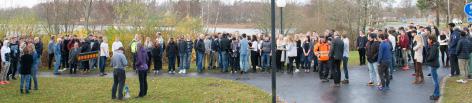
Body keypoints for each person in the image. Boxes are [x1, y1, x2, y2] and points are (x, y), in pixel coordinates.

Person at [425, 35, 440, 100]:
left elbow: (431, 56)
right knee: (435, 80)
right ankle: (435, 93)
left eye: (428, 39)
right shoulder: (433, 46)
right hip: (433, 64)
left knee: (435, 81)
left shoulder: (434, 47)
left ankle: (436, 94)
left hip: (433, 65)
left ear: (431, 40)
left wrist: (427, 59)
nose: (427, 40)